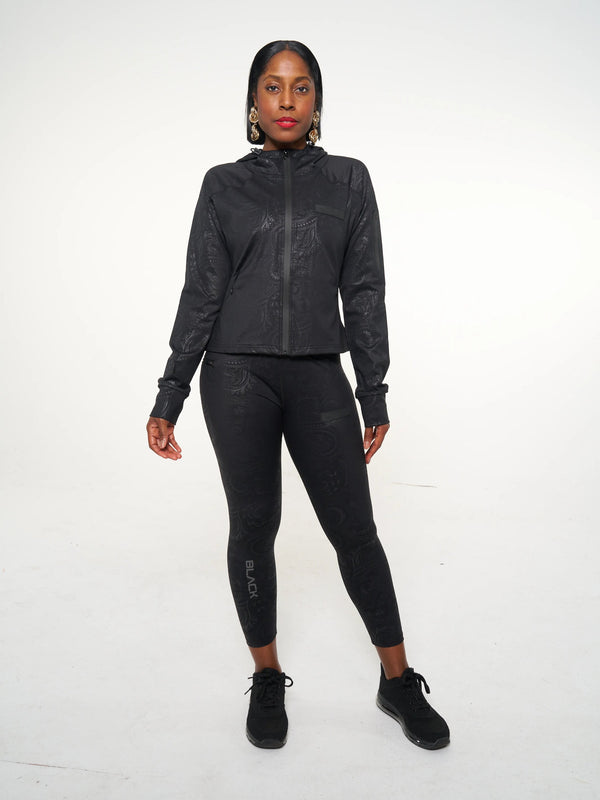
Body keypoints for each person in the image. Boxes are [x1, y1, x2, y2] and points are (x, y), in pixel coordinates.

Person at [146, 40, 450, 751]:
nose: (287, 100)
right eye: (273, 86)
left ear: (317, 101)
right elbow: (202, 291)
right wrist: (170, 392)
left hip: (318, 374)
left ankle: (397, 680)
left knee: (355, 530)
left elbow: (364, 290)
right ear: (253, 102)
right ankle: (266, 674)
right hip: (235, 375)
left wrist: (372, 390)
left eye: (301, 86)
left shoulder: (349, 180)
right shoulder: (222, 185)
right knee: (254, 527)